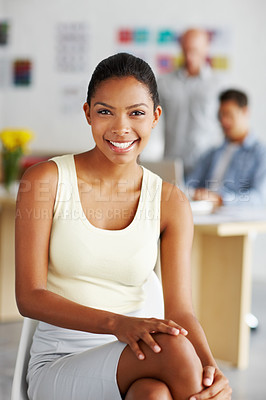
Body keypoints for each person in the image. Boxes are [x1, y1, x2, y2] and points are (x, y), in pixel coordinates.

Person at [15, 52, 231, 400]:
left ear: (155, 117)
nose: (120, 128)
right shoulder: (45, 181)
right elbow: (29, 297)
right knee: (173, 352)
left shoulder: (170, 202)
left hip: (138, 352)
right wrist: (118, 324)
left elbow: (181, 312)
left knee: (154, 394)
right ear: (87, 113)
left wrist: (210, 370)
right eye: (105, 112)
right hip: (61, 359)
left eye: (136, 113)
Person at [158, 28, 224, 178]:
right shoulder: (164, 83)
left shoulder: (218, 85)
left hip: (207, 168)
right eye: (185, 50)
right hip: (172, 164)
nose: (189, 56)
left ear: (206, 48)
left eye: (194, 50)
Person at [187, 88, 266, 207]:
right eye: (221, 115)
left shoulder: (260, 154)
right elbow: (189, 184)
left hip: (234, 216)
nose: (223, 121)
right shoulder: (212, 153)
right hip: (203, 211)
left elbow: (260, 197)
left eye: (229, 114)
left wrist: (221, 199)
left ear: (245, 112)